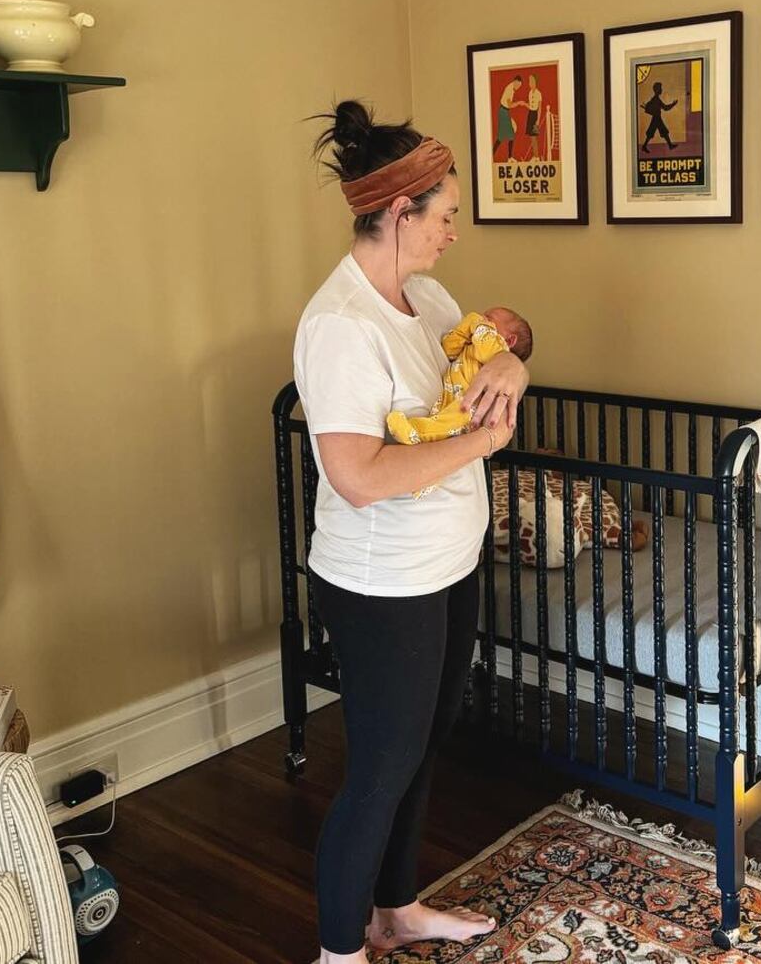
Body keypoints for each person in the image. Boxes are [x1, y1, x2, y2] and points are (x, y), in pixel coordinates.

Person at [295, 100, 528, 964]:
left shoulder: (426, 298)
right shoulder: (339, 326)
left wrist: (515, 358)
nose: (453, 234)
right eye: (446, 216)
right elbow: (355, 477)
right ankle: (339, 949)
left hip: (447, 562)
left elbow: (480, 359)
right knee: (380, 769)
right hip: (379, 580)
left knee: (426, 747)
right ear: (400, 213)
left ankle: (395, 908)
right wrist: (479, 440)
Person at [386, 306, 534, 455]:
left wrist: (477, 323)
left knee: (449, 422)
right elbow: (448, 348)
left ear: (510, 340)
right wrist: (465, 329)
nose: (480, 318)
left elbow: (484, 345)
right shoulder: (471, 345)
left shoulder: (498, 350)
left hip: (470, 403)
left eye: (489, 319)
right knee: (442, 419)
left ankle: (415, 432)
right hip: (450, 392)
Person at [640, 81, 678, 152]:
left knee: (659, 132)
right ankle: (670, 145)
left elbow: (651, 107)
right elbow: (665, 108)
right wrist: (673, 104)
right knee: (657, 132)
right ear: (657, 90)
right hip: (656, 118)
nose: (661, 90)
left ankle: (670, 145)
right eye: (660, 88)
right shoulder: (656, 100)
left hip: (657, 118)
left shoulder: (655, 99)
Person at [495, 75, 525, 162]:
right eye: (518, 85)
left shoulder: (511, 88)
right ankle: (509, 157)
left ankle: (508, 157)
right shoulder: (510, 89)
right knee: (509, 134)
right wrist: (519, 103)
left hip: (504, 111)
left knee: (502, 137)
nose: (518, 88)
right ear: (515, 81)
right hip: (503, 111)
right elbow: (510, 105)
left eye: (519, 86)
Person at [522, 74, 545, 160]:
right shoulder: (530, 92)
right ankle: (535, 156)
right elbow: (530, 106)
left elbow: (539, 108)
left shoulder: (539, 93)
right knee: (531, 137)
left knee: (534, 137)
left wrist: (538, 120)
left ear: (536, 82)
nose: (530, 83)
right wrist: (525, 104)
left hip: (535, 115)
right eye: (529, 81)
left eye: (532, 81)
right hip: (530, 114)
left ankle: (537, 157)